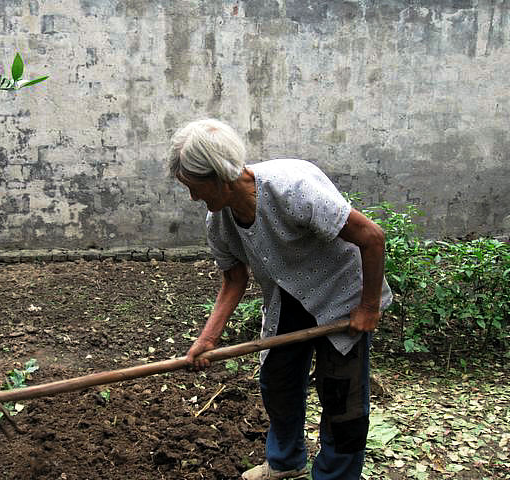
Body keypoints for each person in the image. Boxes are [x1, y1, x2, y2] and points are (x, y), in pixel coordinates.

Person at [168, 118, 392, 480]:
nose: (194, 198)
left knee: (342, 397)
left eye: (195, 187)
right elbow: (233, 280)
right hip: (288, 298)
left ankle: (335, 476)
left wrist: (368, 308)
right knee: (278, 381)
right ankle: (286, 463)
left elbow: (372, 237)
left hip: (341, 297)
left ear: (221, 177)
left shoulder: (293, 190)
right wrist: (207, 339)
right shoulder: (219, 221)